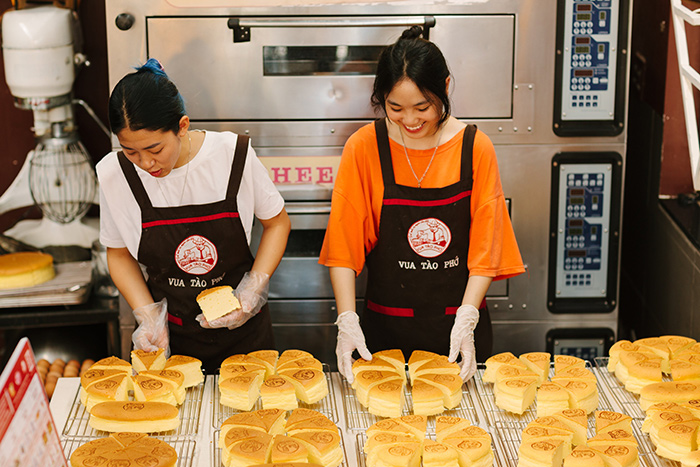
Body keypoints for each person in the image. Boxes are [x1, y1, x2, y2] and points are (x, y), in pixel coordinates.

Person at [319, 26, 525, 383]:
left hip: (458, 328)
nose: (410, 120)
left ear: (444, 88)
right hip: (383, 335)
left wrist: (467, 319)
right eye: (395, 107)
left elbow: (487, 246)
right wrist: (347, 319)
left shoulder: (474, 147)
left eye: (423, 107)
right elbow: (343, 245)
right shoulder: (364, 147)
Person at [97, 59, 290, 372]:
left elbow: (277, 223)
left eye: (155, 149)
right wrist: (148, 316)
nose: (145, 163)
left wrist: (253, 289)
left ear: (182, 126)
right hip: (172, 343)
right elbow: (118, 253)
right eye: (131, 152)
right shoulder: (114, 174)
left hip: (245, 340)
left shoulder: (233, 155)